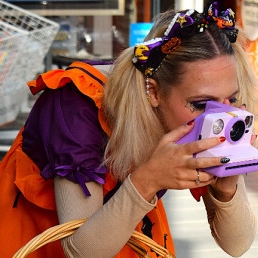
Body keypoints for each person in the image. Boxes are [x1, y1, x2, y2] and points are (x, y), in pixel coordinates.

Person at [0, 1, 257, 257]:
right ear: (154, 92)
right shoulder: (77, 103)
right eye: (201, 103)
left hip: (129, 234)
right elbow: (80, 252)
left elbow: (237, 246)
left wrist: (227, 187)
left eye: (232, 99)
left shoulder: (208, 113)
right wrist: (148, 180)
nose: (221, 114)